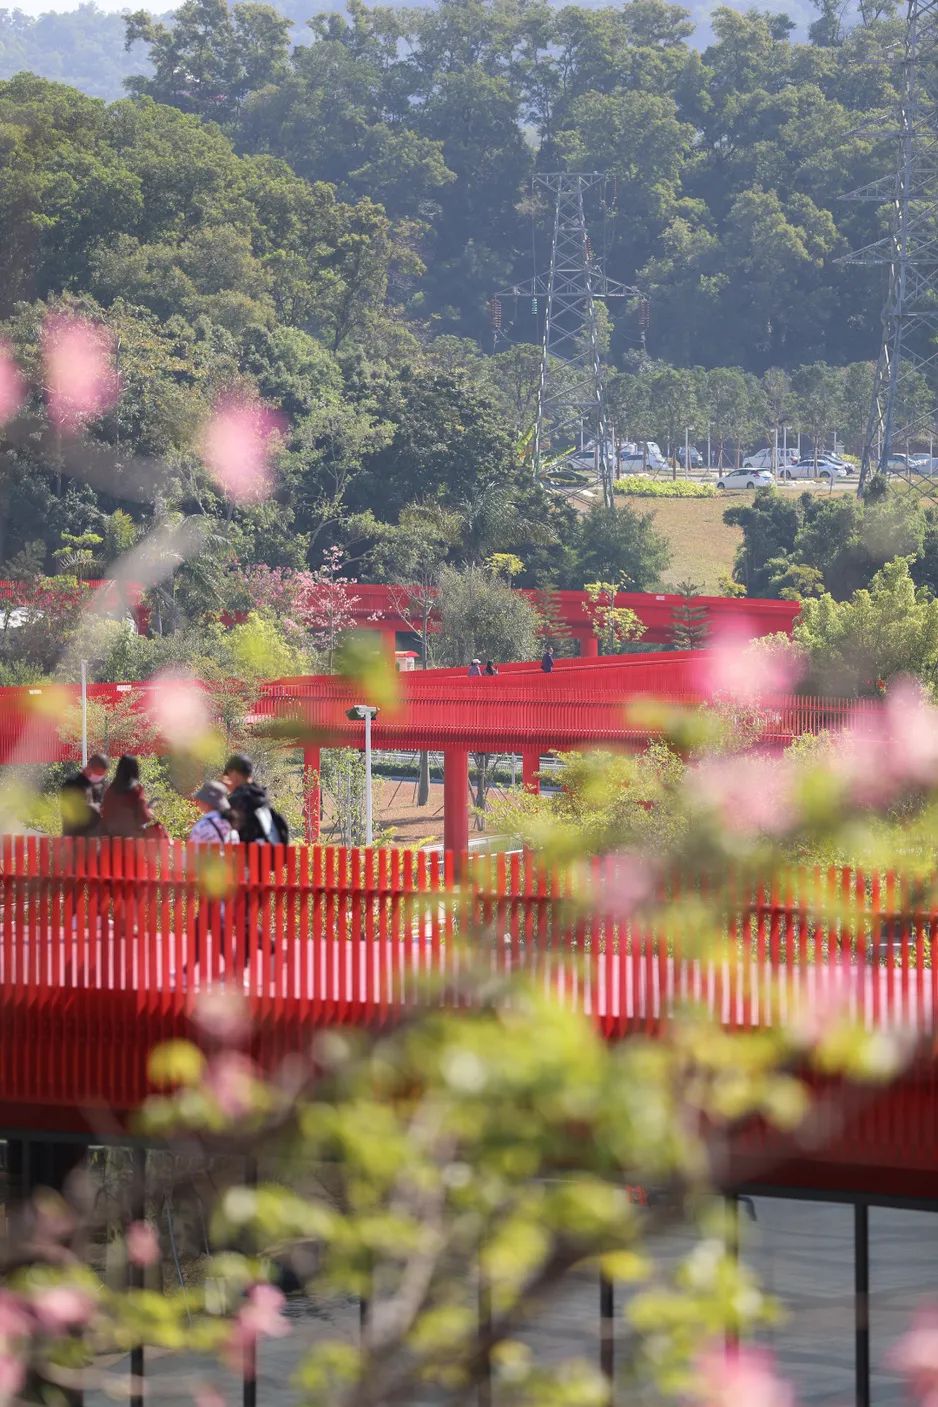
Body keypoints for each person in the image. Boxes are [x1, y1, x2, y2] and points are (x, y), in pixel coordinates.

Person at [222, 753, 289, 845]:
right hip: (270, 853)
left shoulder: (237, 800)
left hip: (248, 855)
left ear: (234, 773)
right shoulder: (263, 797)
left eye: (228, 775)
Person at [100, 755, 156, 838]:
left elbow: (104, 814)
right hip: (133, 842)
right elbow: (144, 817)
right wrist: (149, 811)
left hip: (110, 842)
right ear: (135, 770)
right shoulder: (137, 790)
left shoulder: (110, 790)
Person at [60, 753, 109, 837]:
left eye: (102, 775)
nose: (99, 777)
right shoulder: (72, 783)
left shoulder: (102, 784)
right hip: (75, 837)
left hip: (95, 840)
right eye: (98, 774)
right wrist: (95, 808)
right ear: (89, 768)